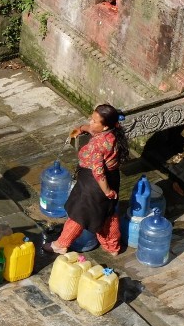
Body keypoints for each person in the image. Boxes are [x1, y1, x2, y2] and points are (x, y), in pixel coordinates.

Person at [44, 104, 129, 256]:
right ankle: (112, 246)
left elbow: (98, 172)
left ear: (104, 126)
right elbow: (93, 130)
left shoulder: (98, 145)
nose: (91, 122)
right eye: (92, 118)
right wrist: (82, 128)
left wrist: (107, 191)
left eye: (94, 121)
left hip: (96, 184)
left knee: (79, 214)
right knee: (107, 213)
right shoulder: (112, 134)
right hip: (112, 177)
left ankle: (61, 244)